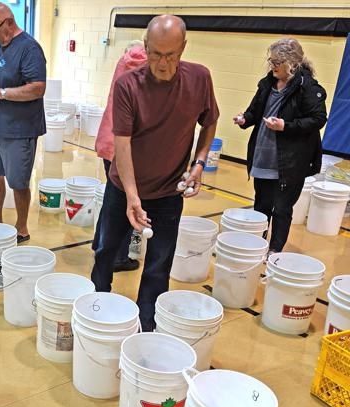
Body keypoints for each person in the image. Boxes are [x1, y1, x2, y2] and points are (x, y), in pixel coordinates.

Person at [91, 15, 220, 332]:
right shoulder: (128, 85)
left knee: (159, 264)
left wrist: (199, 163)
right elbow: (122, 145)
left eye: (171, 54)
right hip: (124, 188)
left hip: (168, 193)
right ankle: (96, 307)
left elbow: (210, 121)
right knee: (106, 249)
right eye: (156, 53)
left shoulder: (200, 78)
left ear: (183, 48)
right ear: (146, 47)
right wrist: (132, 197)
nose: (163, 63)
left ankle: (146, 325)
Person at [234, 38, 327, 255]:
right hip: (263, 156)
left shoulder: (308, 88)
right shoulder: (267, 83)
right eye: (271, 60)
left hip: (290, 162)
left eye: (278, 61)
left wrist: (286, 126)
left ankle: (275, 250)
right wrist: (244, 119)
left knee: (282, 209)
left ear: (292, 64)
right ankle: (257, 245)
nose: (273, 65)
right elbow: (255, 111)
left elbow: (318, 119)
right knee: (261, 205)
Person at [0, 2, 46, 244]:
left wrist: (1, 93)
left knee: (18, 181)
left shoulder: (29, 49)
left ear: (9, 23)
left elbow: (37, 88)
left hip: (19, 129)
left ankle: (22, 227)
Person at [95, 40, 147, 272]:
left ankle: (101, 245)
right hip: (125, 147)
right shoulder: (145, 68)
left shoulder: (123, 64)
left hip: (108, 141)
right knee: (129, 203)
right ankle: (118, 257)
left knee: (111, 199)